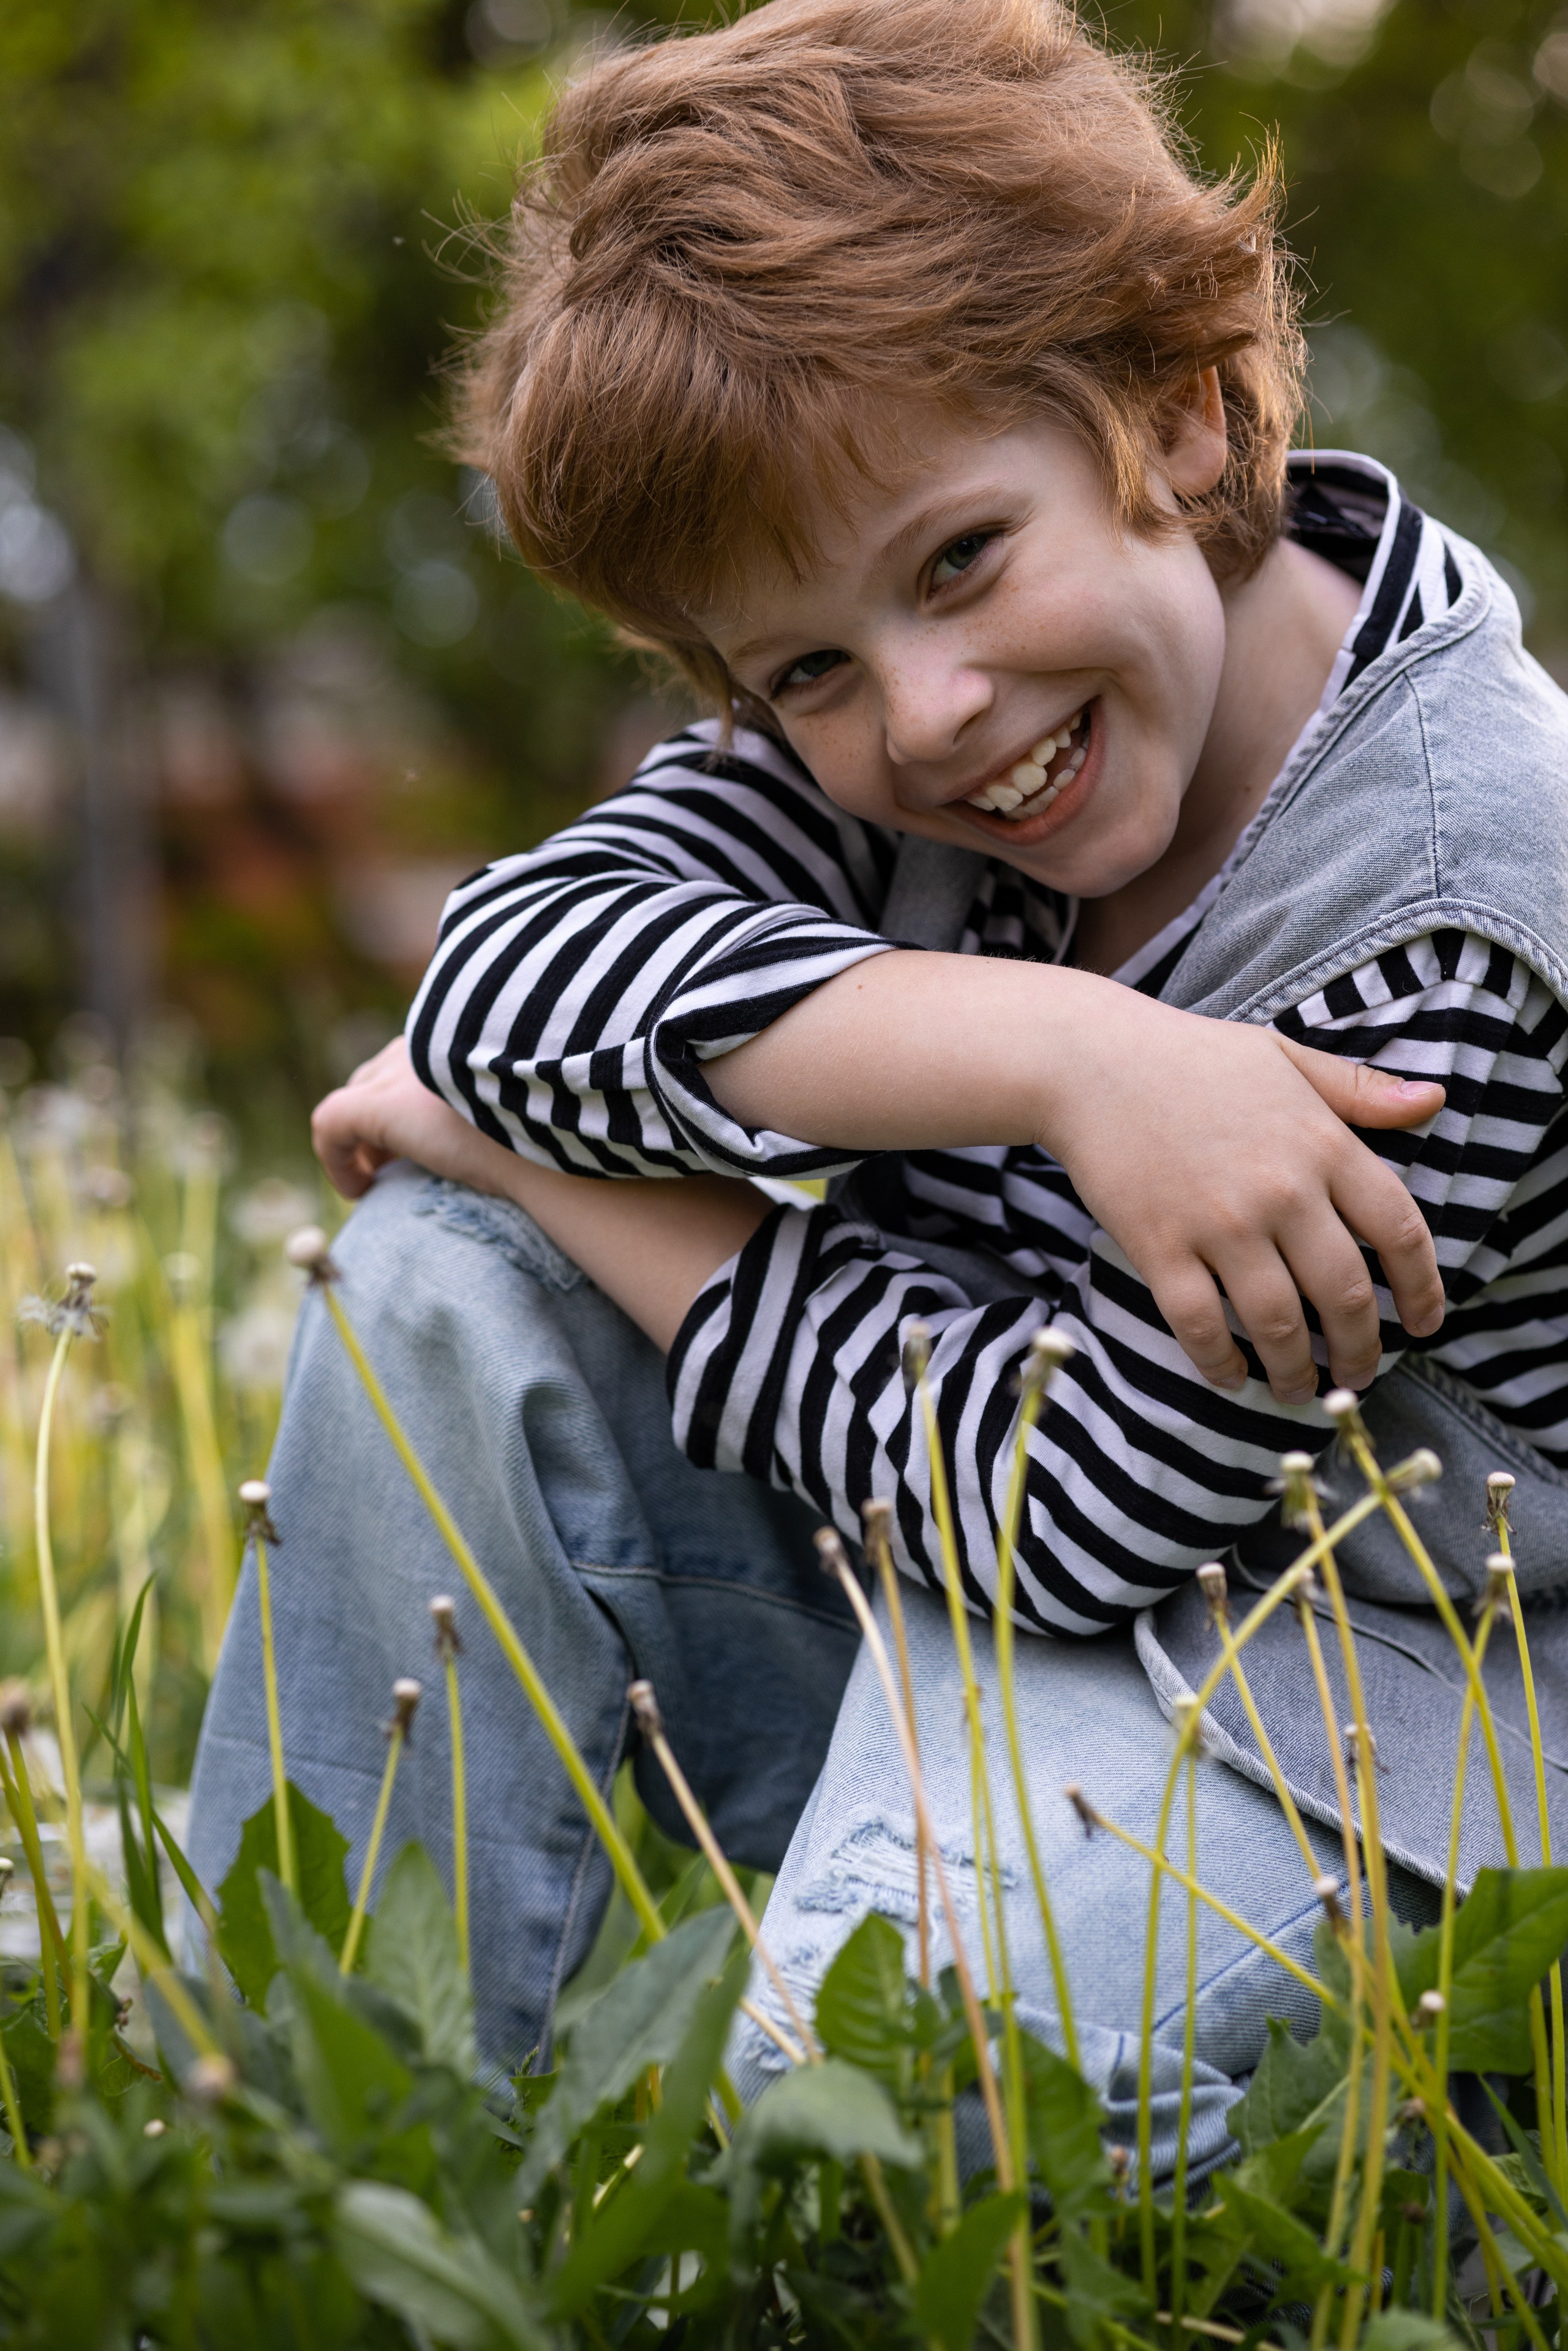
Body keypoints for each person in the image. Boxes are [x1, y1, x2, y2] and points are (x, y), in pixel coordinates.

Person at [189, 0, 1568, 2178]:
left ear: (1186, 419)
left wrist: (576, 1174)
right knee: (434, 1271)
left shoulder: (1458, 912)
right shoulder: (914, 739)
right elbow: (501, 966)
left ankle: (1428, 2126)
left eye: (962, 562)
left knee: (877, 2111)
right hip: (951, 1602)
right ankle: (298, 2167)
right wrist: (1068, 1049)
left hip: (1380, 1731)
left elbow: (1076, 1506)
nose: (928, 716)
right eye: (801, 669)